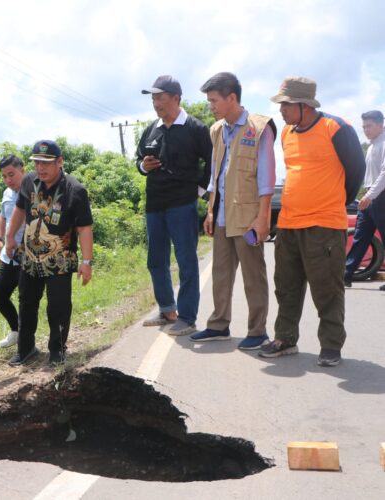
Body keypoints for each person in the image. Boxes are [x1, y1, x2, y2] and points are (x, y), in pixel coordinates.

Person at [260, 77, 365, 367]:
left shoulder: (336, 128)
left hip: (324, 224)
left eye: (286, 105)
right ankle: (284, 339)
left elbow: (356, 171)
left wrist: (334, 203)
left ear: (304, 106)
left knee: (327, 288)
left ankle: (331, 346)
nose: (281, 110)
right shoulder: (286, 132)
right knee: (286, 285)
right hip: (290, 224)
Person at [190, 72, 276, 350]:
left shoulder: (259, 127)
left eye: (214, 100)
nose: (210, 106)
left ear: (232, 98)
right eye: (209, 101)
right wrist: (211, 212)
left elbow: (266, 179)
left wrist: (262, 219)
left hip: (249, 218)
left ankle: (257, 330)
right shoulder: (217, 130)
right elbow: (216, 175)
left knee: (253, 276)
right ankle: (218, 325)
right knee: (221, 274)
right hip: (223, 216)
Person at [5, 139, 94, 366]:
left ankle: (57, 351)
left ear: (60, 162)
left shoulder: (75, 190)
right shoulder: (28, 182)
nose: (40, 168)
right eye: (36, 162)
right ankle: (25, 349)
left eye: (46, 163)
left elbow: (84, 228)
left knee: (58, 306)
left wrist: (87, 262)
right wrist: (9, 238)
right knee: (27, 303)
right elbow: (19, 210)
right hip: (30, 256)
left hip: (60, 259)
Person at [137, 75, 213, 336]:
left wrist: (200, 191)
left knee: (186, 260)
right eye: (153, 98)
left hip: (182, 204)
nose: (156, 102)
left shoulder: (195, 128)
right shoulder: (151, 129)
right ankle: (167, 310)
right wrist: (143, 167)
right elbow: (139, 161)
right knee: (156, 260)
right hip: (154, 204)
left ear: (176, 98)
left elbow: (212, 163)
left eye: (160, 97)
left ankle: (188, 317)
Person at [344, 110, 385, 289]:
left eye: (369, 126)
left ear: (380, 124)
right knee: (360, 237)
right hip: (370, 197)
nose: (366, 130)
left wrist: (369, 195)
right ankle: (345, 275)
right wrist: (365, 195)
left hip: (380, 197)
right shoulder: (371, 146)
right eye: (364, 127)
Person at [0, 154, 26, 348]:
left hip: (28, 255)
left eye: (11, 174)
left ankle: (26, 343)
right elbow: (3, 217)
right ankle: (16, 330)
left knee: (25, 300)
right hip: (8, 254)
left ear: (23, 169)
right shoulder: (6, 193)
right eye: (4, 176)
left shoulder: (34, 191)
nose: (8, 180)